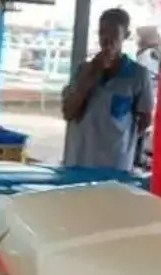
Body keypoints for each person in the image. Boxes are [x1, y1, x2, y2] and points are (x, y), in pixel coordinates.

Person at [60, 8, 155, 173]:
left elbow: (145, 119)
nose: (107, 39)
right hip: (78, 161)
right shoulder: (83, 70)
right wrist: (90, 76)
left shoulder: (138, 75)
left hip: (115, 165)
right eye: (102, 33)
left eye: (114, 34)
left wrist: (122, 137)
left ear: (126, 35)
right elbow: (68, 112)